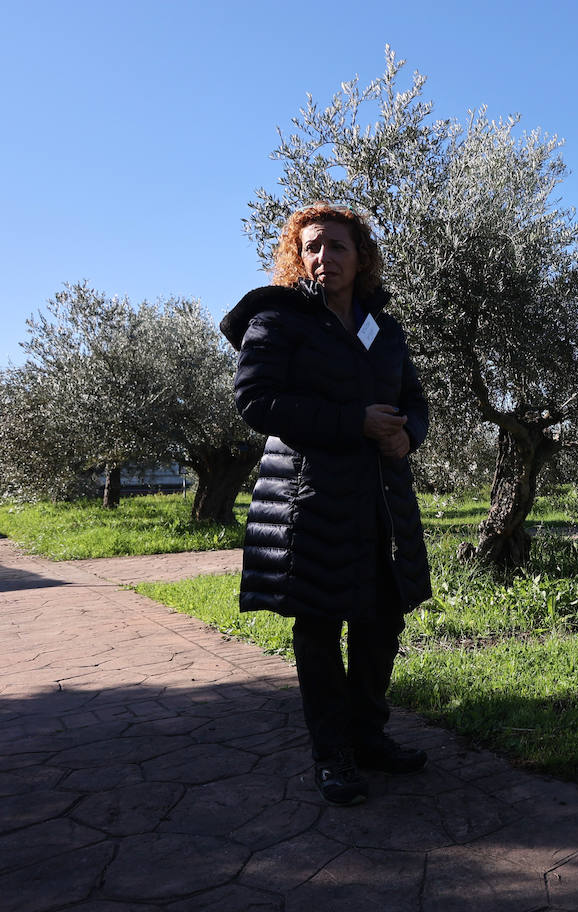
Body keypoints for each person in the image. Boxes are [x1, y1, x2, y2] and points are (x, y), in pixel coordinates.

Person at [220, 204, 433, 806]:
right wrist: (353, 422)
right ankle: (332, 753)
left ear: (361, 257)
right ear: (298, 255)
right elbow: (255, 401)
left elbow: (414, 400)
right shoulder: (279, 320)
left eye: (338, 246)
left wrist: (408, 435)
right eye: (312, 246)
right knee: (319, 625)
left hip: (381, 499)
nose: (324, 257)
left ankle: (368, 736)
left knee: (382, 619)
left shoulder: (382, 329)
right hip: (308, 499)